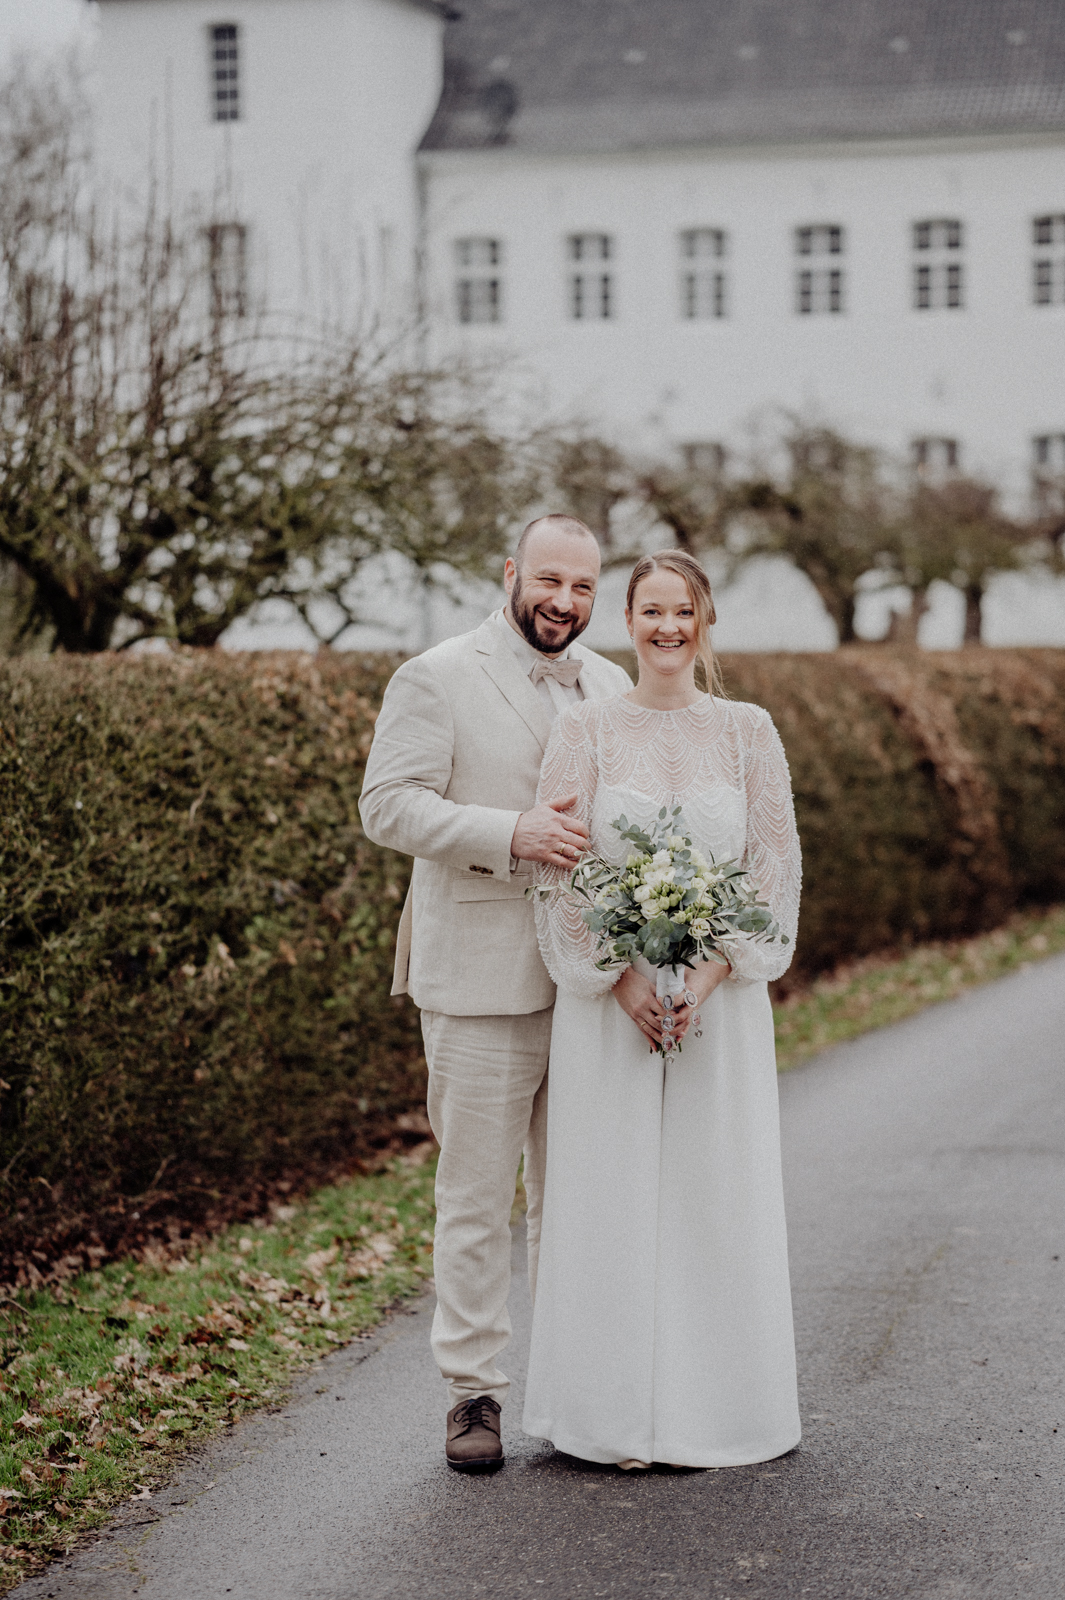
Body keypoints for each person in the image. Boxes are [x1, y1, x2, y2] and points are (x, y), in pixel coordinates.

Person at [358, 514, 631, 1473]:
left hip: (590, 983)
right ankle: (471, 1393)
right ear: (512, 572)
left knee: (577, 1197)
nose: (564, 602)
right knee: (476, 1198)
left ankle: (571, 1386)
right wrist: (508, 832)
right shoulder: (435, 675)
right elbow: (387, 804)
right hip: (477, 977)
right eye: (549, 580)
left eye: (583, 588)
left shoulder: (612, 685)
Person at [523, 550, 802, 1470]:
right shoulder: (585, 729)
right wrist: (623, 979)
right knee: (610, 1196)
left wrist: (707, 974)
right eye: (650, 610)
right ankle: (612, 1419)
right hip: (610, 1005)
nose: (667, 627)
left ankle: (715, 1412)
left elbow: (770, 867)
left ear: (704, 619)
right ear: (627, 621)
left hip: (719, 1006)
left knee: (711, 1194)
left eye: (682, 610)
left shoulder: (748, 731)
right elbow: (560, 870)